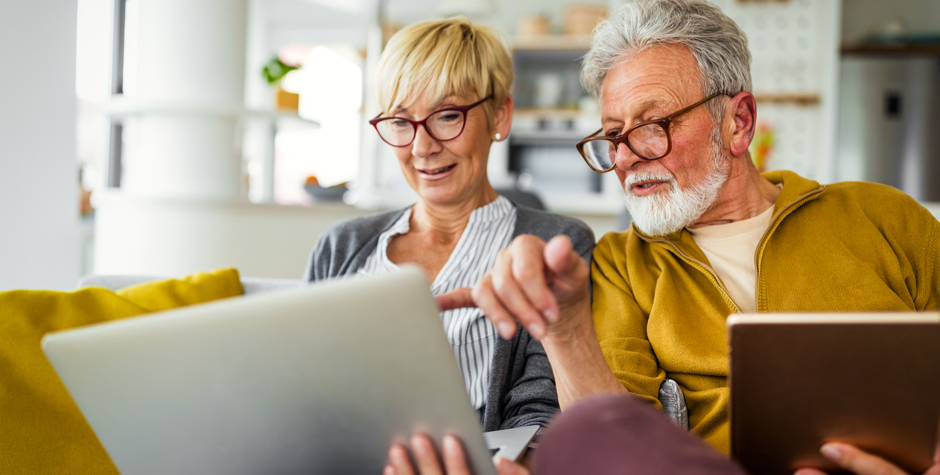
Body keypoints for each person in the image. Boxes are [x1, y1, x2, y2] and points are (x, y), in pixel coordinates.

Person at [384, 1, 940, 474]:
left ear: (738, 122)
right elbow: (613, 441)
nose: (625, 158)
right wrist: (565, 329)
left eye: (653, 125)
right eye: (612, 136)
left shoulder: (884, 217)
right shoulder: (621, 264)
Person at [303, 18, 594, 433]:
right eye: (401, 122)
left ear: (499, 115)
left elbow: (541, 418)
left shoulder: (555, 247)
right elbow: (302, 390)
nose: (422, 147)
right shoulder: (341, 246)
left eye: (447, 116)